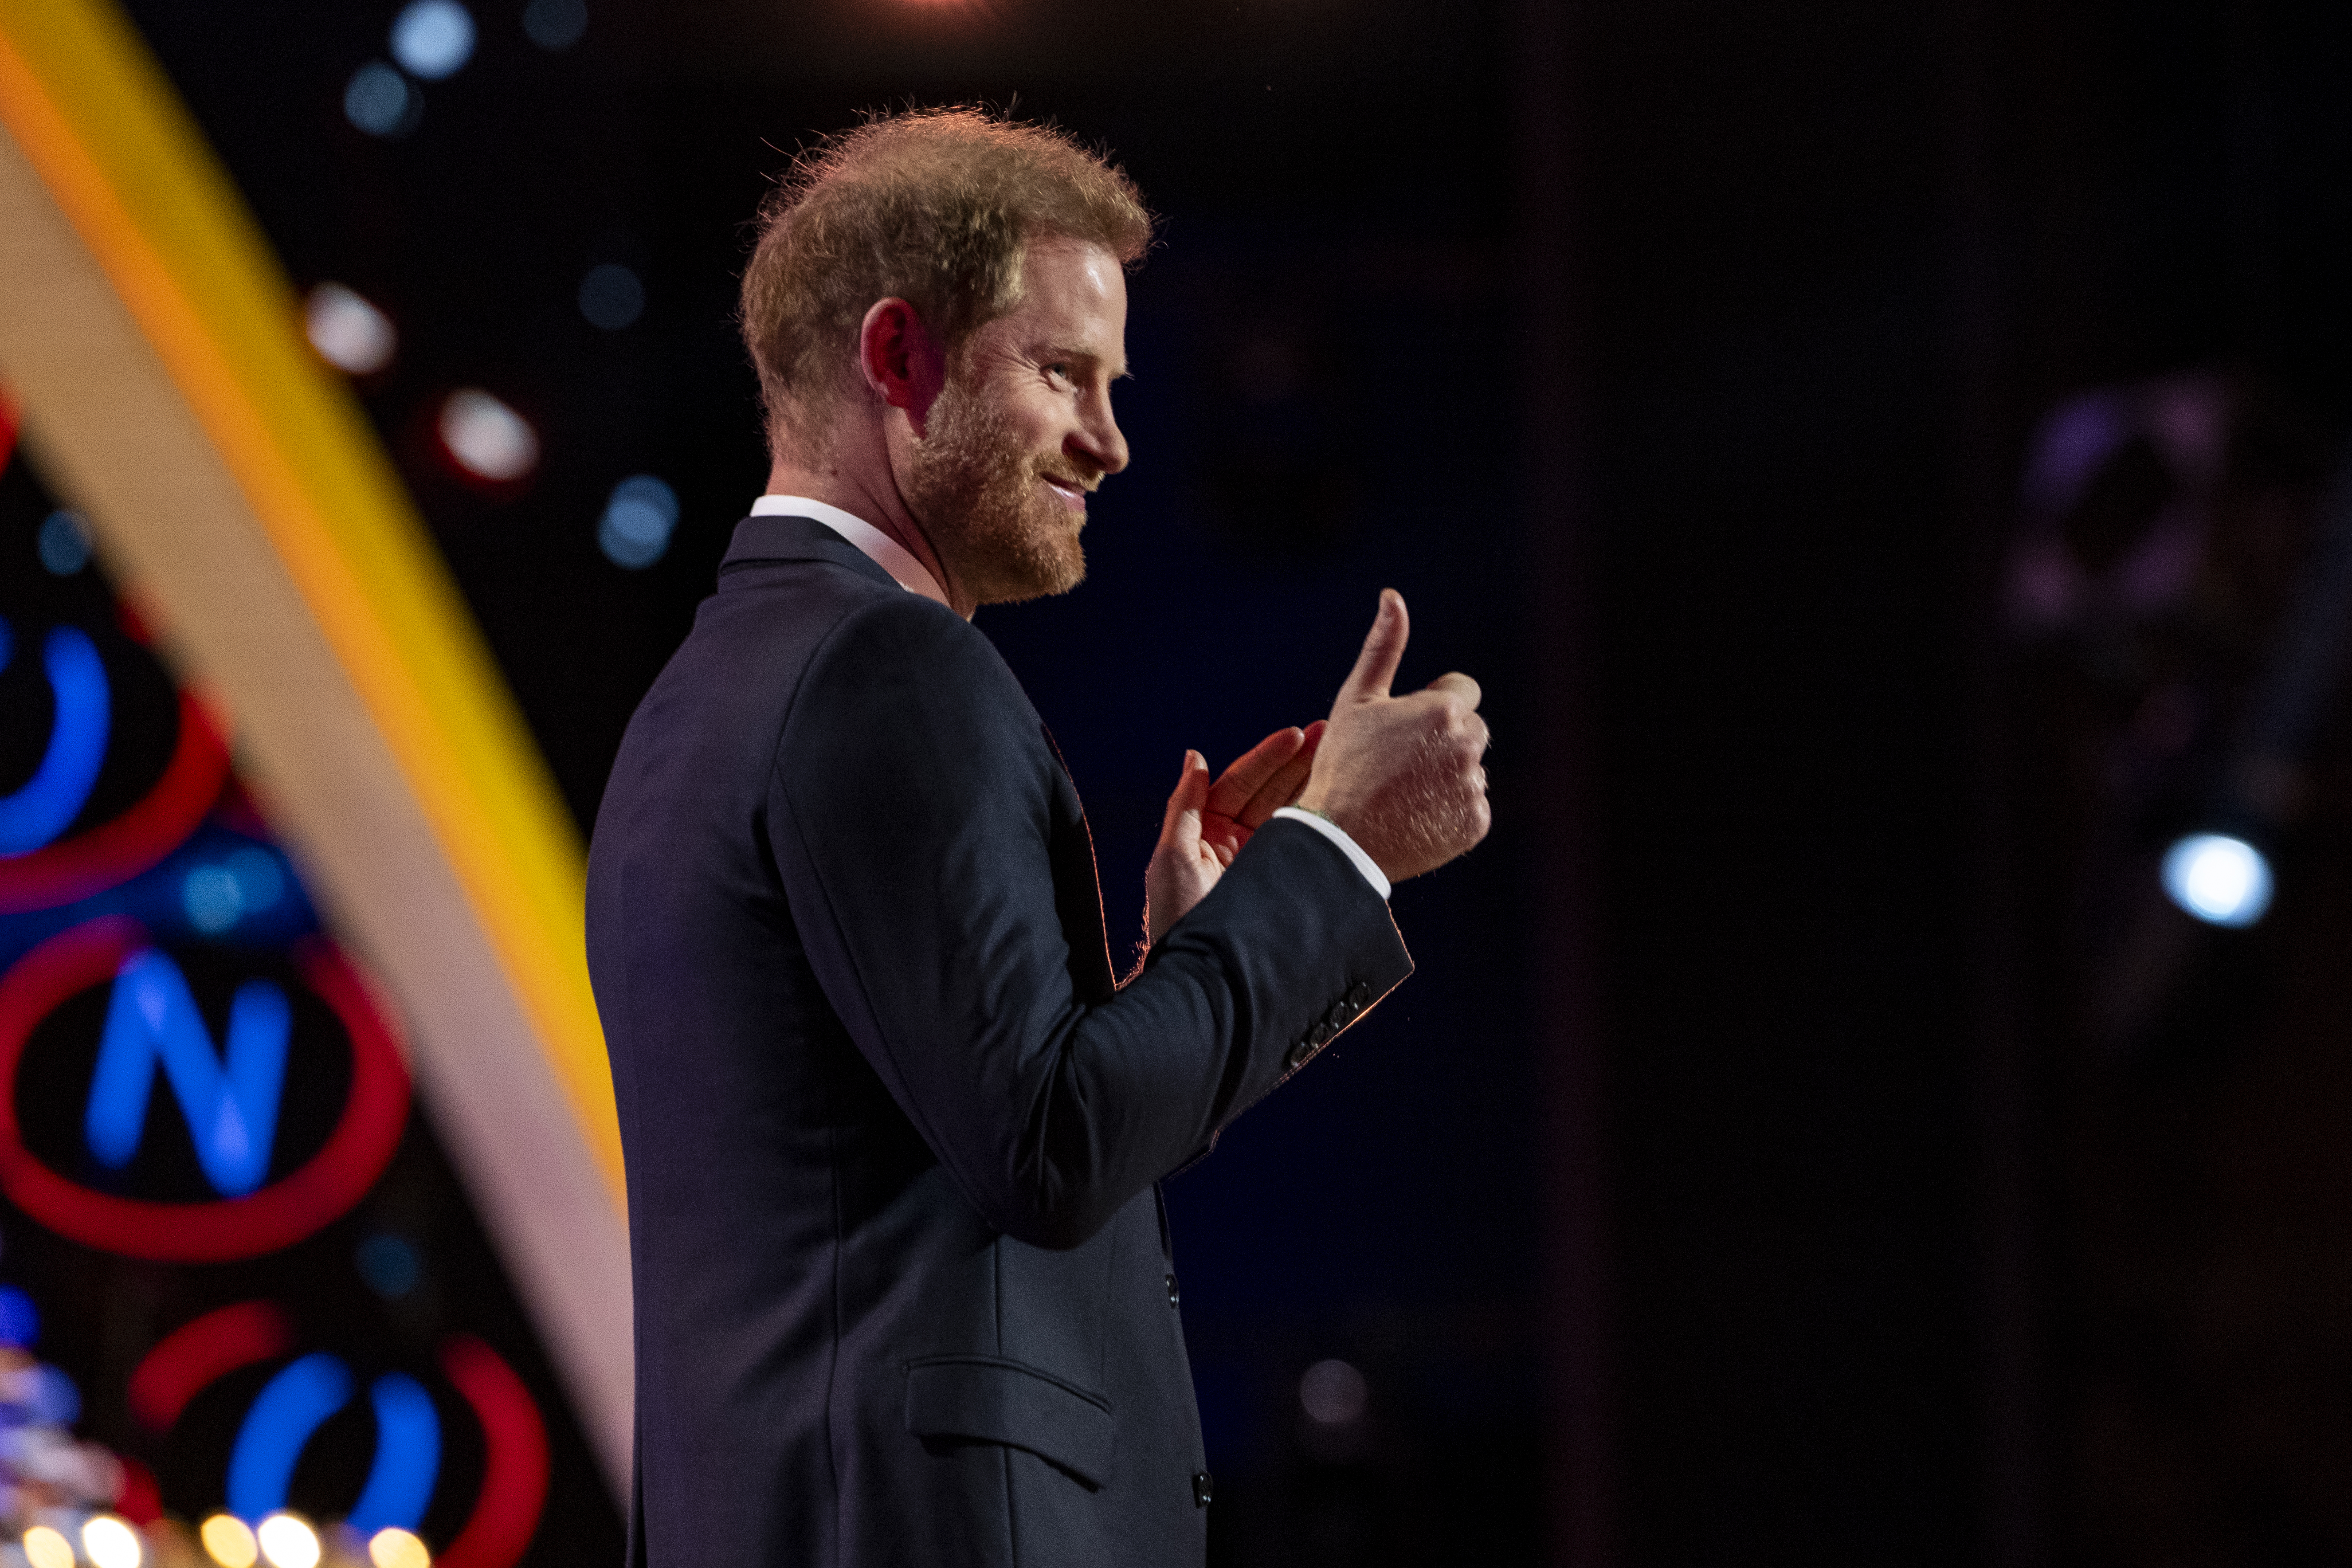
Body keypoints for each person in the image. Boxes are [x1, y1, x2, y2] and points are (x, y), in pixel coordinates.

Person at [584, 107, 1490, 1568]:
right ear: (898, 358)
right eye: (1064, 373)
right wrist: (1345, 852)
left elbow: (982, 1145)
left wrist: (1189, 966)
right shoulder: (891, 671)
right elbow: (1052, 1153)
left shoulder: (705, 696)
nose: (1113, 442)